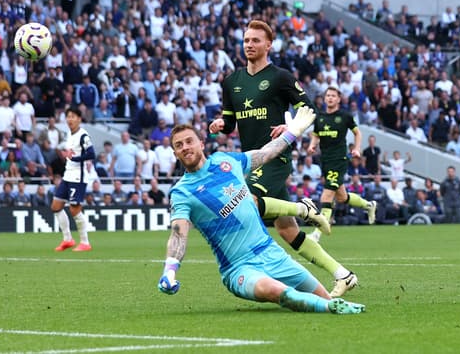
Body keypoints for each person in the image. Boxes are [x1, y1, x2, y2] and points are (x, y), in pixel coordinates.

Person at [159, 108, 364, 314]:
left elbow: (266, 153)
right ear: (175, 153)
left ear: (201, 144)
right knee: (276, 291)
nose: (185, 147)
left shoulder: (226, 161)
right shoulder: (182, 192)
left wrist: (292, 132)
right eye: (179, 145)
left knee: (320, 295)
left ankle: (331, 303)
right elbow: (178, 234)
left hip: (272, 253)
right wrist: (170, 270)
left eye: (189, 141)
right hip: (239, 268)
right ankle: (330, 308)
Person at [209, 20, 357, 298]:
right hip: (250, 159)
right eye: (246, 40)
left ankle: (303, 208)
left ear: (268, 45)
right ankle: (343, 275)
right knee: (287, 231)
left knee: (245, 202)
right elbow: (230, 123)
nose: (249, 45)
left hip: (276, 156)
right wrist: (219, 124)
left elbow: (309, 109)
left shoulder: (280, 77)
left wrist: (289, 127)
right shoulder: (232, 82)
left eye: (255, 40)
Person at [306, 86, 376, 242]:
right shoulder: (320, 117)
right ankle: (368, 205)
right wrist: (312, 145)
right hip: (325, 161)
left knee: (327, 195)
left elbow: (357, 132)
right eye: (328, 95)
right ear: (324, 99)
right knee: (342, 197)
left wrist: (357, 149)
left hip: (339, 161)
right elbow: (316, 135)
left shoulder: (345, 116)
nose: (330, 98)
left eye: (333, 96)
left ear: (338, 99)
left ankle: (317, 234)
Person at [52, 107, 96, 252]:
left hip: (78, 176)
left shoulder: (83, 135)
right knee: (56, 206)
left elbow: (91, 154)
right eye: (68, 116)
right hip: (67, 175)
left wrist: (76, 158)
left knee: (74, 209)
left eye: (73, 116)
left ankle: (85, 242)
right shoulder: (69, 135)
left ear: (79, 119)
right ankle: (68, 239)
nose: (70, 119)